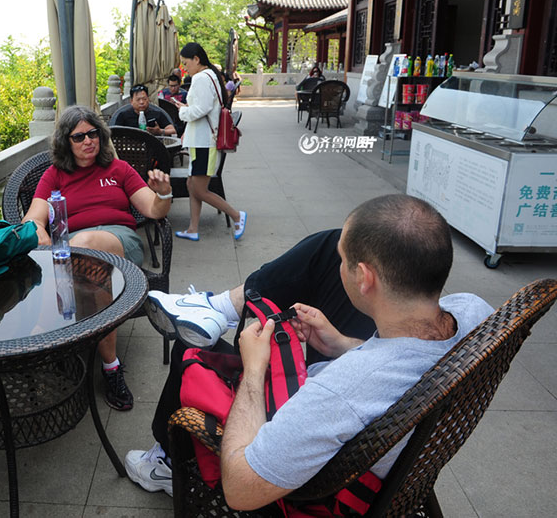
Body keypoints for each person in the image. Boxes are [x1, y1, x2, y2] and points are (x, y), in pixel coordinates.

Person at [125, 194, 493, 509]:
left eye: (342, 260)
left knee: (190, 355)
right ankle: (215, 307)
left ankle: (170, 463)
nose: (338, 267)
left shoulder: (339, 392)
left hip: (312, 480)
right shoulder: (475, 312)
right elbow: (402, 363)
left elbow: (240, 489)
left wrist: (254, 371)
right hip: (380, 435)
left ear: (364, 278)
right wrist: (341, 345)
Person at [22, 105, 173, 412]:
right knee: (88, 268)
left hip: (120, 243)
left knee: (85, 244)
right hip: (75, 257)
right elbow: (32, 220)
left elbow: (154, 211)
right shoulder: (54, 175)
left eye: (93, 134)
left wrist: (164, 194)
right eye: (79, 137)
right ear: (66, 142)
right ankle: (111, 366)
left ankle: (49, 334)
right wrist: (40, 232)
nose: (88, 141)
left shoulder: (118, 170)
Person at [169, 42, 246, 242]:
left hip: (204, 143)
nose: (185, 68)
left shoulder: (201, 78)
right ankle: (193, 228)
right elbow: (203, 108)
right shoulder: (209, 76)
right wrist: (187, 109)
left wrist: (182, 111)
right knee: (191, 184)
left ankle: (236, 215)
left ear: (196, 59)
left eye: (186, 63)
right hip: (201, 140)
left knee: (199, 188)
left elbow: (199, 110)